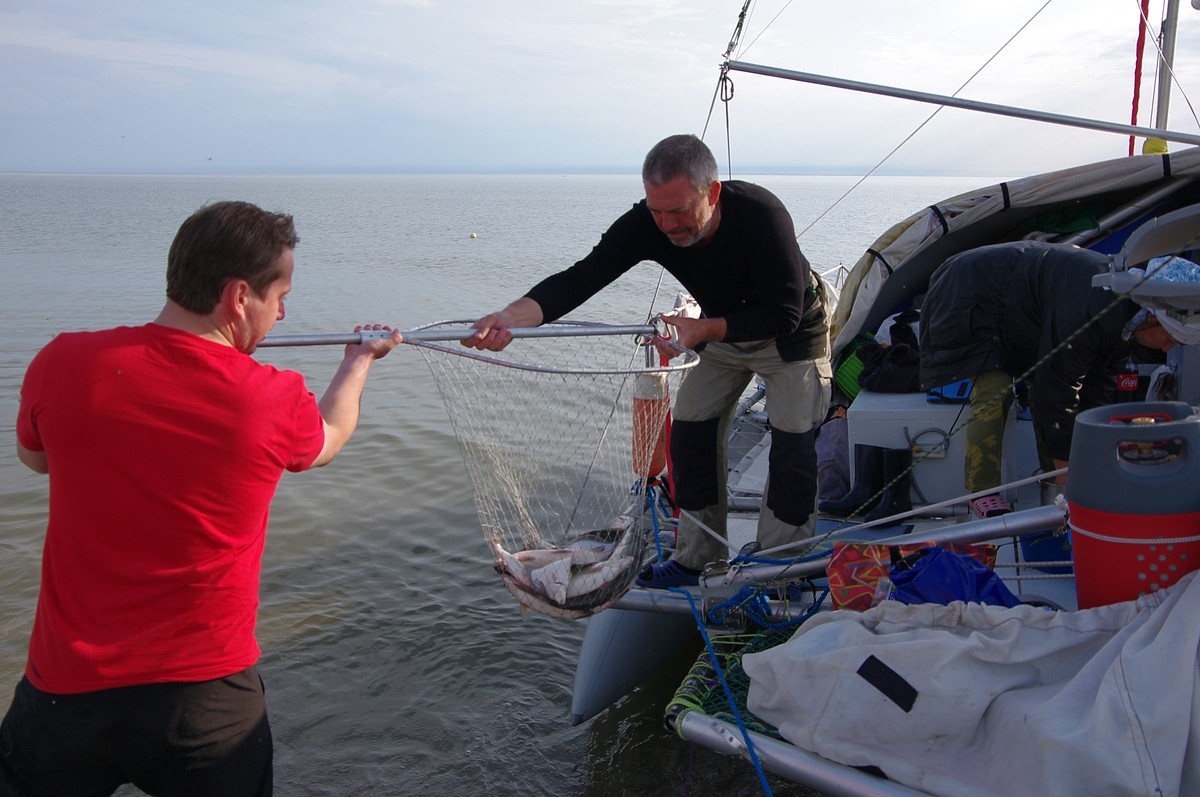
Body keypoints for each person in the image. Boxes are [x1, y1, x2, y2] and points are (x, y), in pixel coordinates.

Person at [4, 200, 401, 796]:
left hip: (65, 695)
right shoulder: (271, 396)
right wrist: (358, 360)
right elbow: (330, 438)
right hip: (205, 707)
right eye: (280, 295)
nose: (284, 313)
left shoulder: (62, 360)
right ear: (240, 297)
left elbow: (36, 459)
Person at [462, 134, 832, 588]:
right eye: (656, 211)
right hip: (720, 333)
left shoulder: (762, 216)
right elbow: (582, 277)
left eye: (678, 211)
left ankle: (782, 566)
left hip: (791, 336)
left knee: (793, 446)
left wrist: (703, 329)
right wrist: (510, 318)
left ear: (712, 193)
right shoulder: (649, 224)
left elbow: (784, 312)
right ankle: (697, 558)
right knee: (691, 433)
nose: (667, 225)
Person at [918, 241, 1196, 518]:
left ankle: (1051, 471)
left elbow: (1097, 387)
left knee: (1045, 385)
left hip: (1026, 304)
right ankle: (983, 491)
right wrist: (1067, 473)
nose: (1167, 349)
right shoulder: (1094, 304)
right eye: (1170, 338)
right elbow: (1059, 385)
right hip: (976, 289)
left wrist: (1088, 458)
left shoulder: (1125, 317)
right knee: (995, 390)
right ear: (1150, 318)